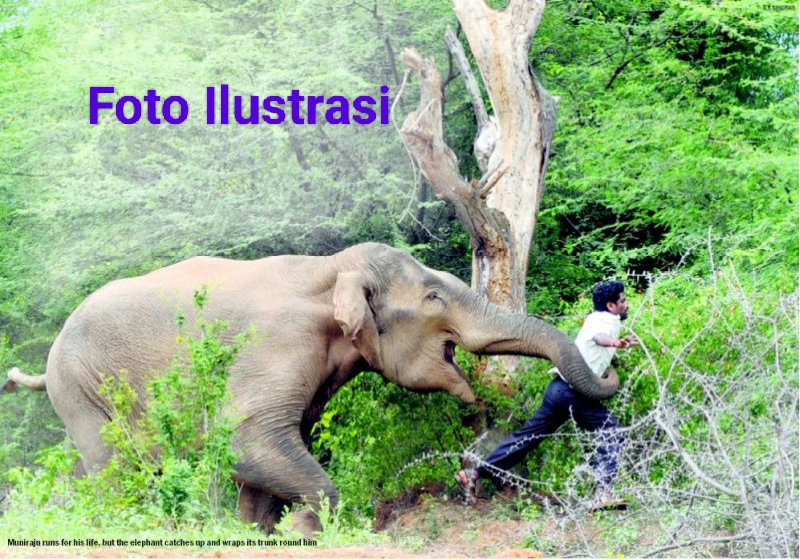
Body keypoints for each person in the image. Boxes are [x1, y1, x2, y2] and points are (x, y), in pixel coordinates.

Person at [455, 281, 639, 509]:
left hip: (559, 390)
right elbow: (598, 338)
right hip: (574, 394)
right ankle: (602, 494)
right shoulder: (605, 322)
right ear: (611, 305)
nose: (626, 304)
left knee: (528, 437)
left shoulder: (595, 318)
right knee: (612, 432)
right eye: (622, 301)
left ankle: (474, 473)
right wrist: (615, 342)